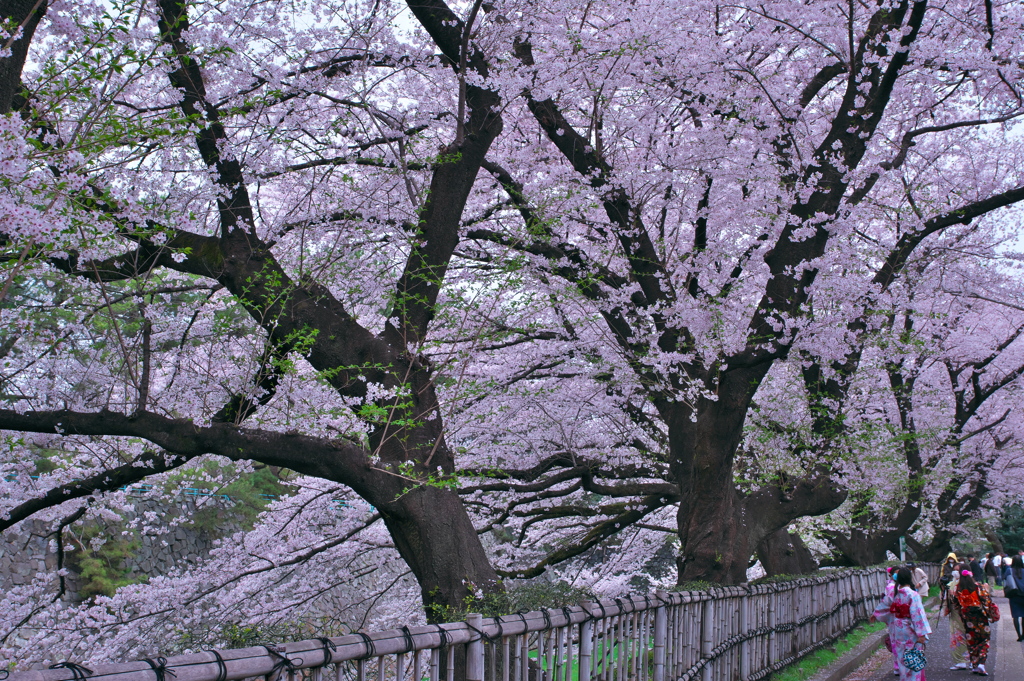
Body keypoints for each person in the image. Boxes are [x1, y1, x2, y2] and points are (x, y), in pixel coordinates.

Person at [871, 567, 932, 681]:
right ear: (910, 578)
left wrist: (876, 614)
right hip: (910, 628)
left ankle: (904, 677)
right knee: (914, 655)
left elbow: (885, 605)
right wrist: (922, 633)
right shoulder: (913, 595)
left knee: (902, 656)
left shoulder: (894, 593)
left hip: (898, 627)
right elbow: (917, 614)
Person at [953, 571, 994, 676]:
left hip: (967, 618)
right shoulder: (978, 586)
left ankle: (974, 665)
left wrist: (963, 614)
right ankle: (981, 663)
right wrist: (989, 614)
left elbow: (956, 604)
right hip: (980, 617)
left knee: (972, 641)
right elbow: (986, 600)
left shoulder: (958, 588)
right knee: (984, 639)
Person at [943, 568, 970, 670]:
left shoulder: (969, 584)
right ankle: (960, 660)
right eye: (954, 570)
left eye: (958, 570)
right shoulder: (951, 584)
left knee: (967, 635)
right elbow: (945, 599)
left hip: (967, 614)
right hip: (956, 614)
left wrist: (952, 593)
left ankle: (970, 660)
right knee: (957, 635)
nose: (955, 572)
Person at [1004, 554, 1024, 642]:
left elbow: (1005, 580)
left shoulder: (1009, 571)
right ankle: (1023, 634)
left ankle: (1019, 635)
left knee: (1015, 616)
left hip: (1014, 595)